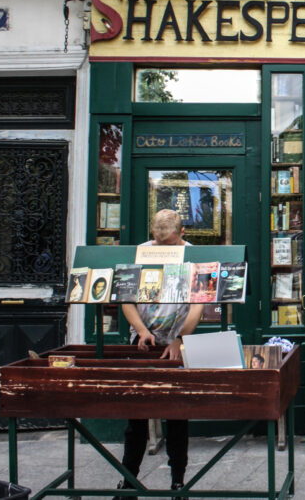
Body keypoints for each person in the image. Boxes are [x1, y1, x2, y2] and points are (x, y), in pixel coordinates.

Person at [117, 209, 203, 499]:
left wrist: (180, 340)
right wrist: (141, 330)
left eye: (168, 244)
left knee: (177, 416)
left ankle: (177, 481)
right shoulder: (142, 252)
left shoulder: (193, 256)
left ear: (181, 234)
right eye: (158, 242)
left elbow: (198, 306)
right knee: (136, 418)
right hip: (143, 341)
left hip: (177, 343)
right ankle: (129, 480)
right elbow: (127, 299)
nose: (162, 250)